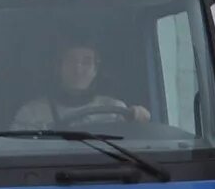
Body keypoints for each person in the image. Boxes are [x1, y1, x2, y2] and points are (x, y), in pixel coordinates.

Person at [14, 41, 150, 129]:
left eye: (86, 62)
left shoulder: (115, 110)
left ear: (95, 70)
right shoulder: (31, 114)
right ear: (58, 68)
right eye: (70, 61)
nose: (78, 70)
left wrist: (140, 121)